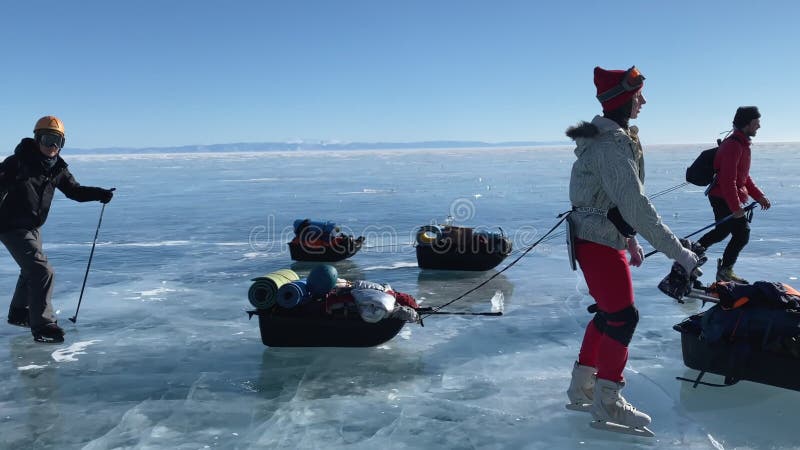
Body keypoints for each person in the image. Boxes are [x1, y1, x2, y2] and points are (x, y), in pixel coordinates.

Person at [564, 66, 699, 434]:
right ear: (624, 98)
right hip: (597, 241)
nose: (644, 101)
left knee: (610, 314)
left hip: (600, 237)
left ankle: (582, 388)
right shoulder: (610, 146)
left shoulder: (612, 140)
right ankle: (607, 402)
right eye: (639, 94)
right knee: (623, 318)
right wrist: (679, 253)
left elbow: (611, 201)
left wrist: (630, 239)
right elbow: (636, 206)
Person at [0, 116, 114, 343]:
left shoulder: (57, 168)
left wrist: (99, 194)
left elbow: (75, 191)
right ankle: (43, 325)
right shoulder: (17, 163)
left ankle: (19, 313)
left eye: (58, 141)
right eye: (48, 139)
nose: (53, 147)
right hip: (10, 226)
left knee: (30, 269)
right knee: (42, 271)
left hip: (33, 227)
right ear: (36, 139)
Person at [696, 106, 771, 284]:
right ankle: (724, 271)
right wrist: (736, 207)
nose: (759, 127)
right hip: (722, 196)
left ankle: (689, 256)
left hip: (725, 195)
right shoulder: (733, 146)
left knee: (722, 232)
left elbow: (743, 177)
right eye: (756, 123)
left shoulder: (741, 144)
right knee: (742, 233)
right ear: (747, 124)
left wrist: (758, 196)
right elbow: (728, 180)